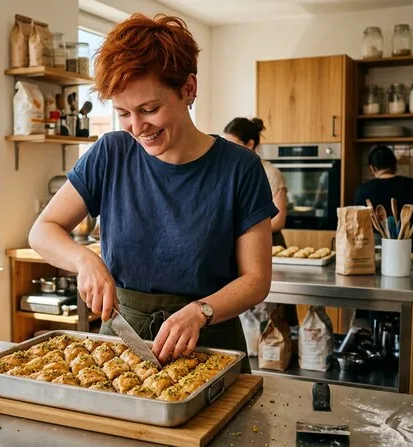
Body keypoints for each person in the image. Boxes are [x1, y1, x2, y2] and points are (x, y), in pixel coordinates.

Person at [28, 13, 276, 373]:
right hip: (120, 344)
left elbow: (256, 280)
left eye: (150, 109)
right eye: (123, 113)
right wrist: (84, 260)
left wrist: (200, 311)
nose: (137, 127)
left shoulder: (240, 168)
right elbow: (43, 229)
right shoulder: (111, 153)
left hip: (212, 345)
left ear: (188, 88)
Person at [224, 118, 288, 247]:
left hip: (269, 244)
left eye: (232, 145)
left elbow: (278, 221)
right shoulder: (229, 173)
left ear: (250, 144)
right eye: (226, 145)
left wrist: (237, 232)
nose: (227, 151)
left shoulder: (271, 173)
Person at [353, 145, 413, 246]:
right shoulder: (411, 184)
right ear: (394, 165)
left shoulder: (363, 190)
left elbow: (357, 223)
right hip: (411, 247)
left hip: (375, 249)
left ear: (372, 168)